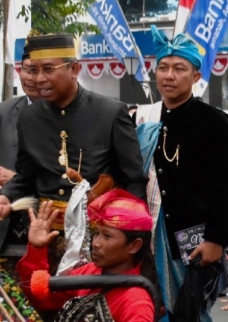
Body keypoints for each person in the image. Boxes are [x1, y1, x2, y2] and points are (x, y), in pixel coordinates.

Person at [0, 34, 147, 276]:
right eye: (33, 70)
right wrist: (7, 196)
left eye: (48, 69)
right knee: (45, 308)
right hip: (45, 237)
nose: (38, 79)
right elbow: (26, 177)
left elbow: (134, 180)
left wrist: (135, 235)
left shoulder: (110, 112)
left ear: (75, 68)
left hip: (99, 240)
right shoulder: (29, 117)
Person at [133, 25, 228, 322]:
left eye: (179, 69)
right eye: (163, 68)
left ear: (195, 76)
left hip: (195, 231)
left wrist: (215, 240)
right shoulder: (148, 121)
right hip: (152, 228)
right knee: (156, 309)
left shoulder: (215, 122)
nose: (169, 76)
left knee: (193, 311)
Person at [17, 190, 157, 322]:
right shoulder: (89, 271)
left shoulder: (137, 302)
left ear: (134, 246)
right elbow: (41, 300)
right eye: (96, 233)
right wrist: (37, 249)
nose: (96, 243)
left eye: (107, 236)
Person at [0, 37, 42, 259]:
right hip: (5, 229)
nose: (32, 78)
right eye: (27, 70)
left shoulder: (65, 116)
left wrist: (15, 180)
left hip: (45, 223)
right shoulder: (4, 112)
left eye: (38, 70)